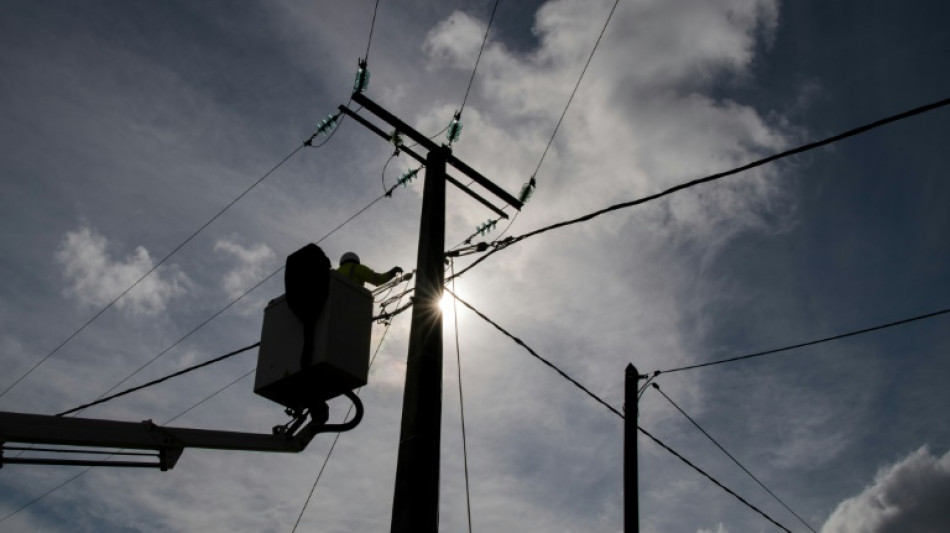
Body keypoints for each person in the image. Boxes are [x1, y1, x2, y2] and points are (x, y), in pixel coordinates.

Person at [337, 251, 403, 287]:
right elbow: (378, 280)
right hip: (352, 300)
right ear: (356, 260)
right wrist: (393, 272)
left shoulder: (336, 272)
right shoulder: (359, 268)